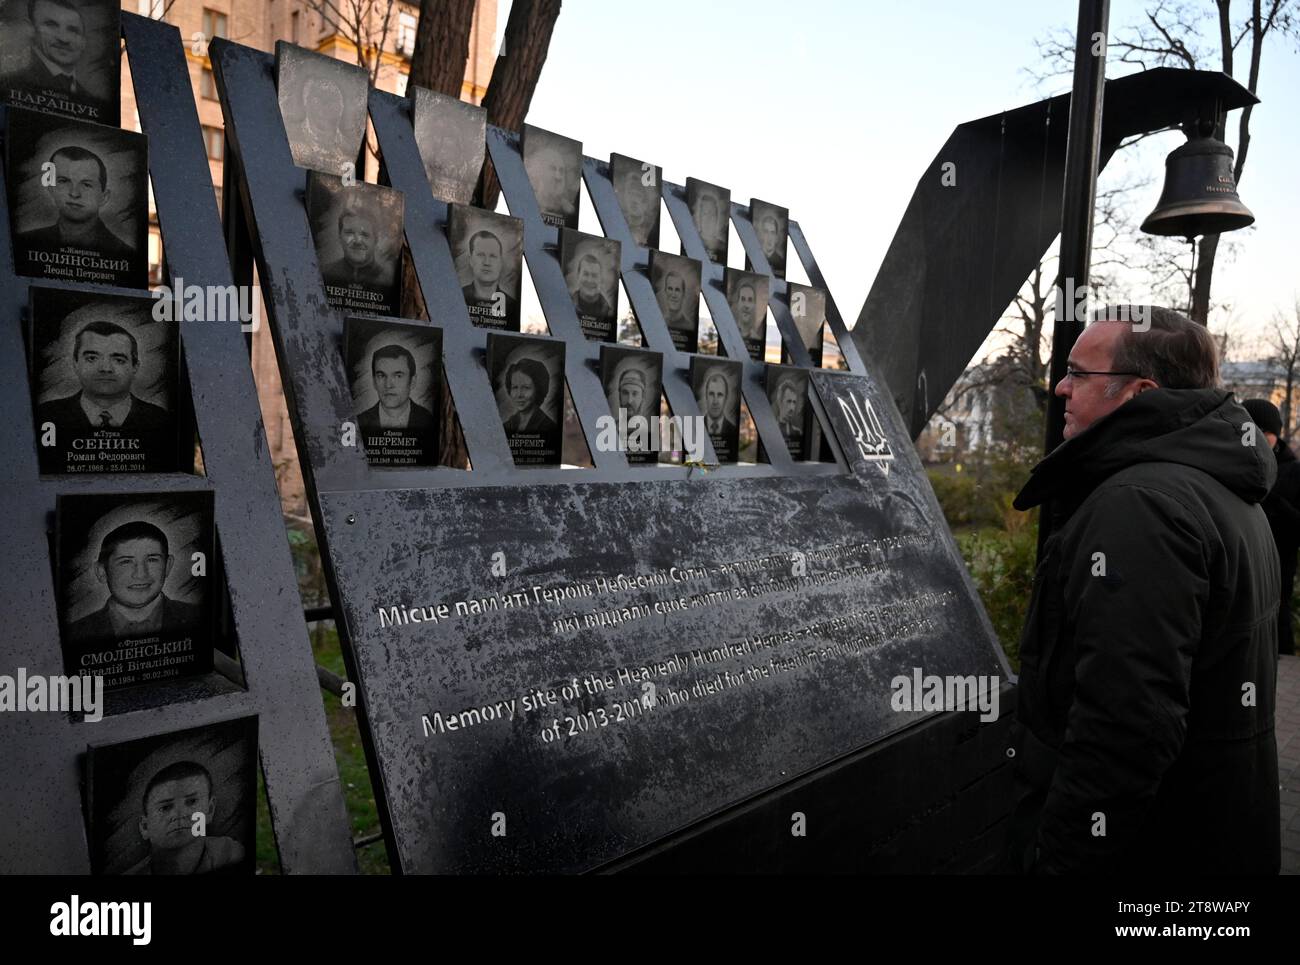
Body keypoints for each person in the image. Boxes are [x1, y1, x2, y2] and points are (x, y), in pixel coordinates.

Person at [1006, 306, 1280, 875]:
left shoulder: (1143, 507)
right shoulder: (1223, 485)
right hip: (1211, 831)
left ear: (1138, 393)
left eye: (1079, 374)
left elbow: (1123, 727)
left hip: (1155, 850)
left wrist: (1060, 862)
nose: (1059, 388)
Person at [67, 519, 202, 642]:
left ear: (167, 566)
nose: (141, 574)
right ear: (101, 572)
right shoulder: (75, 634)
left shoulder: (199, 618)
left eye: (152, 560)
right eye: (126, 562)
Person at [36, 320, 169, 435]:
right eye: (92, 358)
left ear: (135, 366)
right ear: (75, 363)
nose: (106, 368)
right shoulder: (46, 415)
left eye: (119, 360)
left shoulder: (161, 420)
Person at [1243, 398, 1300, 655]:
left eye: (1265, 433)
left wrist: (1274, 501)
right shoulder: (1235, 466)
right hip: (1245, 558)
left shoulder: (1293, 471)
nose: (1260, 439)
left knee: (1278, 617)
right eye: (1253, 432)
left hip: (1280, 559)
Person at [125, 761, 245, 875]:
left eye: (192, 801)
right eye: (165, 808)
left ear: (210, 810)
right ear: (145, 827)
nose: (179, 814)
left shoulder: (231, 852)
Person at [15, 145, 133, 257]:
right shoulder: (25, 243)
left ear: (104, 197)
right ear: (51, 188)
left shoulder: (125, 254)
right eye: (64, 181)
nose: (74, 193)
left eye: (86, 185)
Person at [356, 343, 435, 434]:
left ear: (412, 381)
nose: (388, 385)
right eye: (381, 376)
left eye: (398, 376)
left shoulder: (430, 421)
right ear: (374, 382)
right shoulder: (358, 422)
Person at [20, 0, 87, 95]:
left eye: (73, 31)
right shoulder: (13, 82)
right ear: (29, 29)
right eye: (51, 25)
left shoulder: (90, 99)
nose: (64, 39)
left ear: (84, 42)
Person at [460, 230, 518, 322]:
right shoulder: (457, 298)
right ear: (470, 260)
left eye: (493, 256)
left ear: (501, 262)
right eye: (481, 255)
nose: (487, 262)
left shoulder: (513, 307)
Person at [321, 207, 387, 286]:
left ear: (376, 239)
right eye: (349, 233)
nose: (357, 241)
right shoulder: (322, 274)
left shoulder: (387, 279)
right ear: (339, 236)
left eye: (364, 235)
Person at [502, 357, 556, 434]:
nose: (519, 395)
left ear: (538, 389)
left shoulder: (550, 428)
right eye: (514, 387)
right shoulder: (506, 426)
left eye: (526, 388)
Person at [570, 254, 614, 320]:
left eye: (594, 275)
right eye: (585, 274)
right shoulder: (566, 306)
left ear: (601, 280)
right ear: (578, 275)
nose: (589, 280)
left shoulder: (610, 314)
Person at [699, 370, 737, 440]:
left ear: (726, 398)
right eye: (711, 394)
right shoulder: (696, 427)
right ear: (706, 396)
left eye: (720, 395)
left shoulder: (733, 431)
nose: (715, 401)